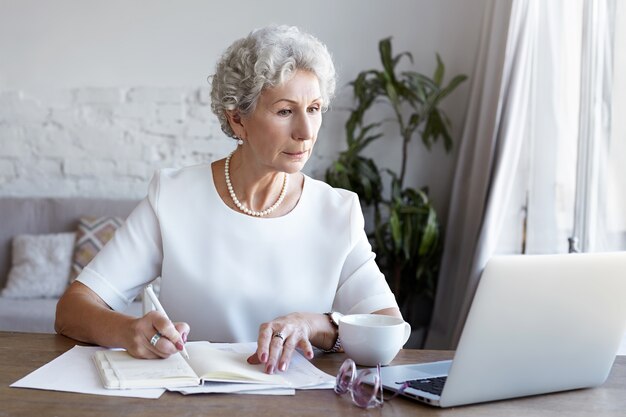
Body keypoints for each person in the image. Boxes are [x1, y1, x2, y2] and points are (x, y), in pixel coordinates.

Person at [55, 25, 402, 375]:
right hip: (191, 402)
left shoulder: (337, 211)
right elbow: (72, 309)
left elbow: (390, 328)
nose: (306, 132)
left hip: (296, 404)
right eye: (285, 111)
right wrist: (129, 331)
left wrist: (315, 324)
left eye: (314, 109)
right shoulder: (174, 197)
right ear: (237, 118)